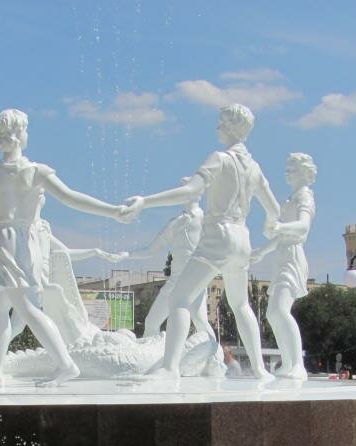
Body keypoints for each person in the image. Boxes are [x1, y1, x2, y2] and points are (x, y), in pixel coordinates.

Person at [0, 108, 131, 386]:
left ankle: (64, 364)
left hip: (10, 241)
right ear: (20, 135)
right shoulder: (35, 173)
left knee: (26, 308)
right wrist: (113, 211)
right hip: (23, 242)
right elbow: (72, 199)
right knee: (0, 307)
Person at [122, 103, 282, 380]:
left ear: (232, 127)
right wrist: (270, 225)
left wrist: (145, 201)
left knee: (180, 299)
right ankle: (259, 369)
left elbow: (190, 190)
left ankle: (170, 368)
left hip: (218, 235)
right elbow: (274, 211)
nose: (217, 127)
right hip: (242, 238)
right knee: (241, 304)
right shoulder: (254, 168)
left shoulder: (220, 159)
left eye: (221, 122)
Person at [249, 152, 317, 380]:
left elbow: (303, 227)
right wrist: (262, 251)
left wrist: (278, 228)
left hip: (292, 258)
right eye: (287, 168)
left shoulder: (304, 197)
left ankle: (298, 364)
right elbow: (280, 235)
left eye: (292, 169)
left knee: (280, 310)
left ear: (305, 174)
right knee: (272, 313)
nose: (287, 172)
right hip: (281, 256)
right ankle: (288, 363)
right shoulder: (291, 198)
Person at [126, 184, 212, 340]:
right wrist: (126, 254)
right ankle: (149, 357)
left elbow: (216, 248)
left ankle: (215, 359)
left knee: (201, 322)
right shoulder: (176, 222)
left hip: (194, 281)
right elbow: (151, 250)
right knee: (151, 322)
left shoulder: (205, 220)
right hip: (174, 281)